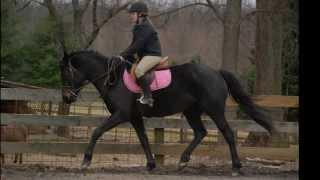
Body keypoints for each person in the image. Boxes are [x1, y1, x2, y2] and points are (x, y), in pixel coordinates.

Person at [118, 1, 162, 107]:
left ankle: (148, 96)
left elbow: (137, 45)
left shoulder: (146, 27)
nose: (131, 17)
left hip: (153, 55)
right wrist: (123, 55)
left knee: (139, 70)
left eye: (133, 14)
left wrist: (123, 55)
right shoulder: (139, 26)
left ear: (140, 14)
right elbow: (133, 45)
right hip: (145, 56)